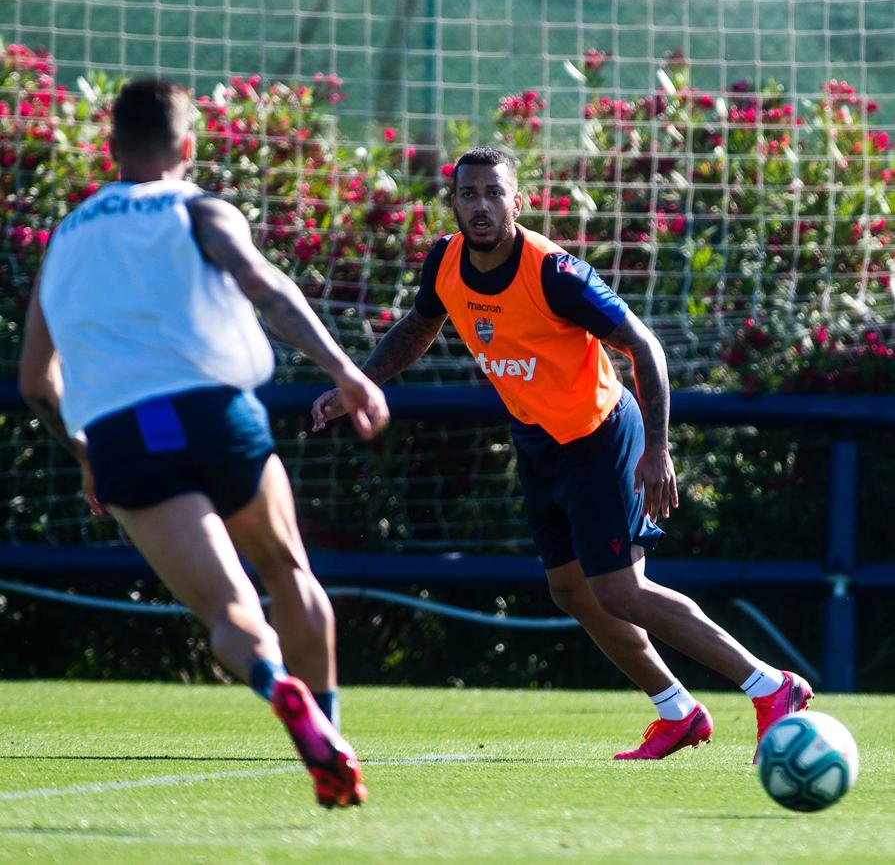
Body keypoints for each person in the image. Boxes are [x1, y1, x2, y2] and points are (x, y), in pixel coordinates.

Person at [312, 145, 813, 761]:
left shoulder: (554, 272)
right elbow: (418, 327)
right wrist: (358, 383)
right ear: (454, 205)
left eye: (493, 193)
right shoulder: (444, 262)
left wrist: (657, 450)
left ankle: (771, 686)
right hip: (538, 441)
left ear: (516, 201)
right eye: (468, 194)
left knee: (622, 591)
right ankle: (677, 710)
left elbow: (645, 348)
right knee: (571, 592)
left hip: (601, 436)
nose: (480, 205)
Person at [18, 78, 389, 807]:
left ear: (110, 149)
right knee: (289, 575)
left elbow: (36, 379)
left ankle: (278, 687)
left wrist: (88, 455)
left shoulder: (67, 237)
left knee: (229, 614)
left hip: (125, 436)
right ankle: (329, 733)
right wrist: (345, 372)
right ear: (187, 147)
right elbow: (264, 284)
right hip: (217, 415)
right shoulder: (198, 208)